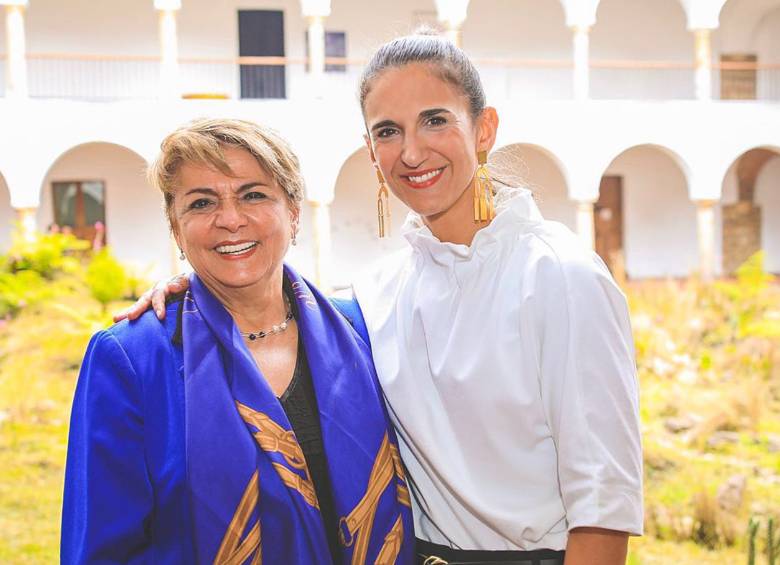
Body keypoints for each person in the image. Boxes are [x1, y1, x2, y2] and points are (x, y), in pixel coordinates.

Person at [119, 32, 643, 565]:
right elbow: (271, 300)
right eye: (388, 131)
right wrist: (195, 290)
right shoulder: (377, 294)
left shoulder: (561, 276)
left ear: (484, 129)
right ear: (371, 151)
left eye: (436, 120)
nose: (412, 152)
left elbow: (603, 509)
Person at [61, 118, 414, 564]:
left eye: (253, 194)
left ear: (293, 213)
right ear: (177, 228)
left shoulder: (363, 332)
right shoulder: (131, 359)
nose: (230, 219)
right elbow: (100, 549)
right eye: (202, 203)